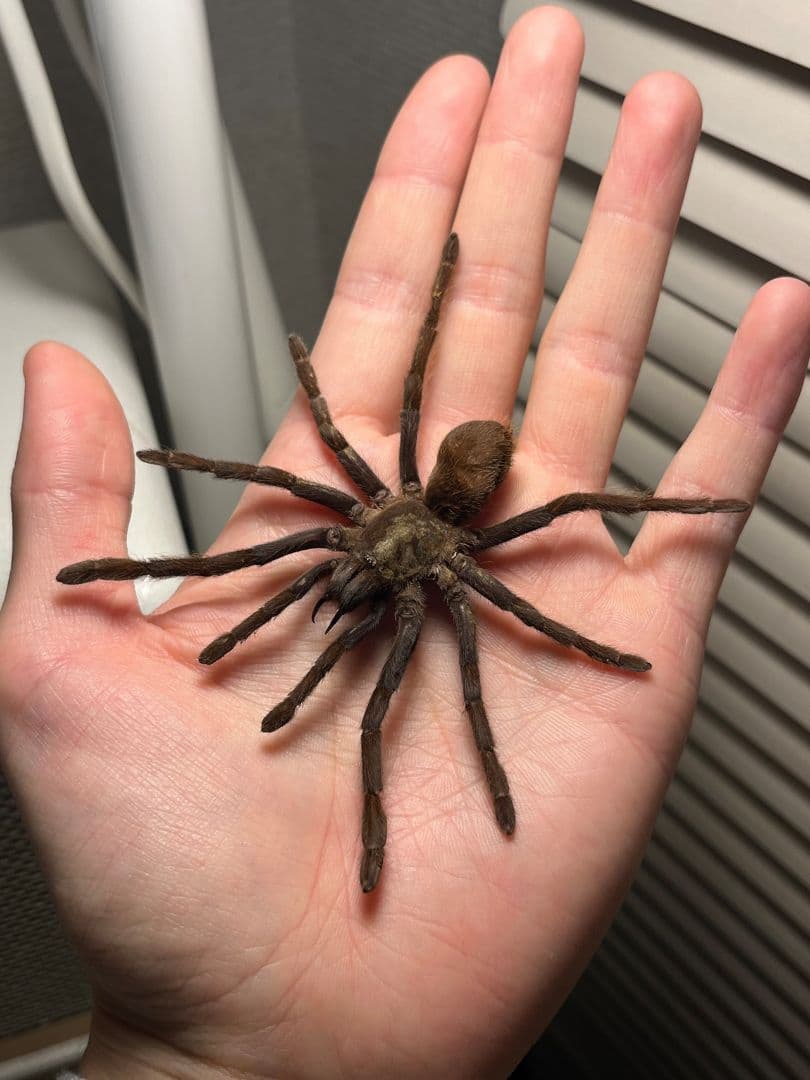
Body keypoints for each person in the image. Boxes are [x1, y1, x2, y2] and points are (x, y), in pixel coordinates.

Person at [1, 7, 808, 1078]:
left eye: (363, 576)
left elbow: (466, 636)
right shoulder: (352, 520)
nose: (351, 589)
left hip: (444, 496)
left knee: (402, 677)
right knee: (265, 553)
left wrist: (588, 646)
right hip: (413, 499)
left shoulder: (444, 566)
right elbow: (276, 504)